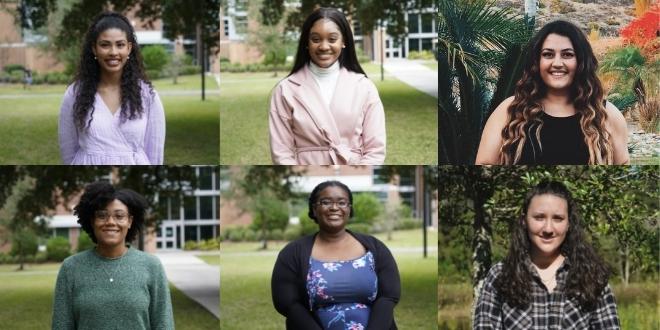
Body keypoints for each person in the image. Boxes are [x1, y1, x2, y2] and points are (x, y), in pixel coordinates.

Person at [475, 20, 629, 165]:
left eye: (567, 54)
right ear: (537, 61)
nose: (557, 63)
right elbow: (484, 166)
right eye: (548, 54)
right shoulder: (509, 111)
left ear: (581, 61)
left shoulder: (607, 115)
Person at [473, 181, 620, 329]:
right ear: (524, 221)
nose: (548, 228)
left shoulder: (592, 277)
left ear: (569, 223)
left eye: (558, 218)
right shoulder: (500, 275)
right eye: (539, 217)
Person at [271, 181, 400, 329]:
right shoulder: (292, 253)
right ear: (314, 209)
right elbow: (287, 303)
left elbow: (388, 296)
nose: (334, 207)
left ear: (349, 209)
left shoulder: (374, 248)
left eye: (342, 202)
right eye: (325, 202)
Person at [269, 8, 386, 165]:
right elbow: (281, 152)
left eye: (332, 39)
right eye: (316, 39)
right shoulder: (285, 90)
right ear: (306, 43)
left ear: (343, 41)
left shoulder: (365, 87)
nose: (324, 47)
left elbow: (375, 150)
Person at [52, 182, 174, 329]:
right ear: (92, 221)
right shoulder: (71, 268)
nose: (110, 222)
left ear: (129, 221)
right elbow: (61, 325)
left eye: (119, 216)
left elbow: (163, 324)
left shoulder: (151, 266)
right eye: (102, 215)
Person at [58, 12, 165, 165]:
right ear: (94, 49)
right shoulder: (75, 94)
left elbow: (155, 154)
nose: (113, 52)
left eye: (120, 45)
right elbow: (68, 150)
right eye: (105, 45)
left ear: (129, 48)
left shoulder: (147, 95)